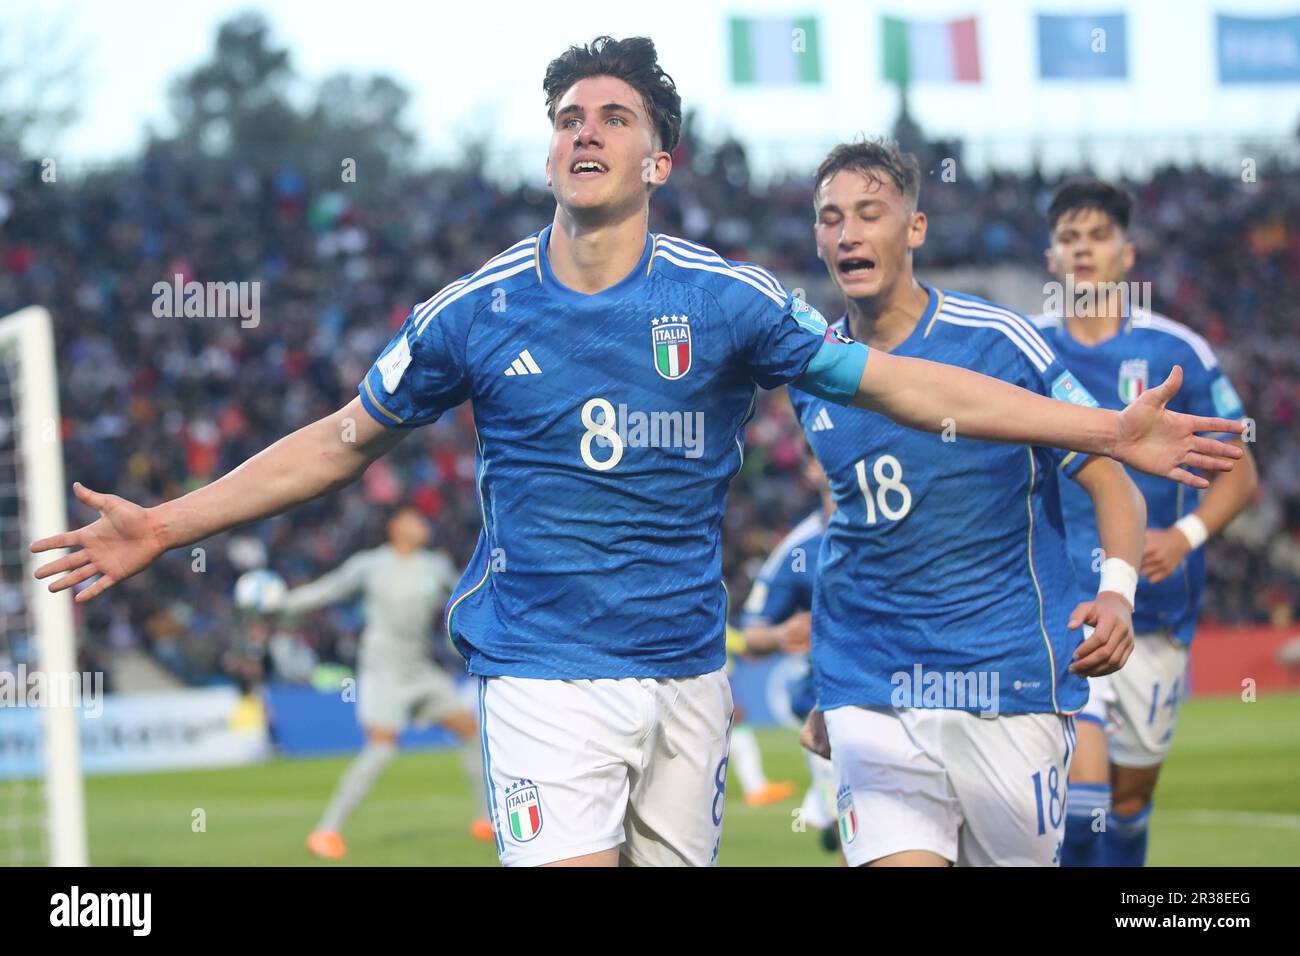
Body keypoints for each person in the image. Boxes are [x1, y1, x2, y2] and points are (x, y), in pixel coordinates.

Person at [32, 37, 1244, 868]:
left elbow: (905, 384)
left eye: (614, 117)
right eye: (567, 118)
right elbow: (340, 442)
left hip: (686, 680)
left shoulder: (729, 303)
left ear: (659, 158)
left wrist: (1103, 429)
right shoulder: (475, 310)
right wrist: (168, 521)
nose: (585, 132)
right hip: (544, 669)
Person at [795, 138, 1149, 866]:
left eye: (869, 213)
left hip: (1006, 684)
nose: (849, 233)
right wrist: (833, 687)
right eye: (831, 219)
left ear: (915, 229)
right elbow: (851, 529)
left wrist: (1117, 595)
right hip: (874, 693)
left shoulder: (1001, 342)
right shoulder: (812, 371)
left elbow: (1111, 479)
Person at [1033, 180, 1257, 867]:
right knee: (1083, 806)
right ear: (1051, 258)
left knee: (1126, 812)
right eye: (1069, 237)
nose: (1082, 249)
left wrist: (1183, 537)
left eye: (1097, 236)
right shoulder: (1028, 351)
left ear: (1127, 254)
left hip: (1157, 610)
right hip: (1064, 605)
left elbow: (1240, 474)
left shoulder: (1175, 351)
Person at [254, 505, 493, 858]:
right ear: (395, 527)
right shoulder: (370, 565)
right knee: (382, 747)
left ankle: (485, 820)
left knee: (471, 732)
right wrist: (283, 604)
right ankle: (326, 832)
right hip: (383, 670)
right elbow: (327, 590)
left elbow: (465, 600)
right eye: (414, 519)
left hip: (421, 668)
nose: (422, 524)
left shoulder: (435, 566)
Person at [740, 451, 837, 851]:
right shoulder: (799, 548)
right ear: (812, 469)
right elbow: (751, 634)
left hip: (917, 694)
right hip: (833, 709)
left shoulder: (901, 525)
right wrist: (781, 635)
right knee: (859, 839)